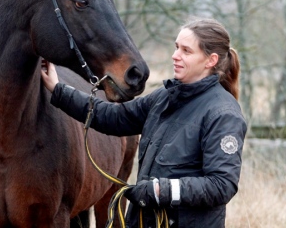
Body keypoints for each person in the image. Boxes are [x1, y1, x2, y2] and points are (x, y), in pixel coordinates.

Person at [41, 17, 247, 228]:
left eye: (186, 51)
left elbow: (222, 185)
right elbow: (113, 116)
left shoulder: (223, 113)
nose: (175, 56)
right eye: (176, 48)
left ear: (210, 60)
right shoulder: (164, 97)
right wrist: (58, 90)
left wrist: (160, 191)